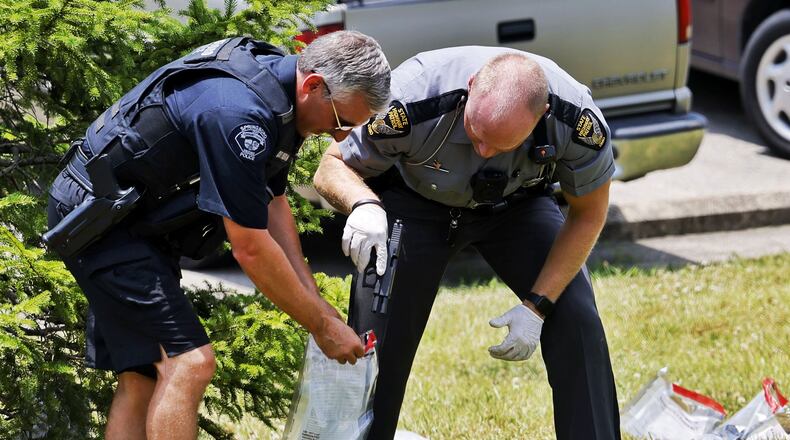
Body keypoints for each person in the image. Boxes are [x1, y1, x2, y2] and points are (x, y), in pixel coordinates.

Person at [45, 31, 390, 439]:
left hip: (133, 223)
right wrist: (320, 326)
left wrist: (315, 301)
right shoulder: (238, 114)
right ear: (313, 85)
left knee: (144, 373)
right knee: (188, 362)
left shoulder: (280, 97)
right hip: (98, 221)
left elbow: (272, 201)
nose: (339, 137)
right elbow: (251, 248)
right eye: (341, 122)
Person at [313, 46, 620, 439]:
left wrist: (538, 305)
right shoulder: (411, 98)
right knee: (377, 347)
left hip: (518, 206)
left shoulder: (575, 118)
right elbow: (332, 164)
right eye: (476, 134)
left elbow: (588, 213)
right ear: (471, 87)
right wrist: (364, 205)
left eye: (500, 144)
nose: (484, 152)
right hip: (413, 205)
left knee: (576, 316)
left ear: (540, 117)